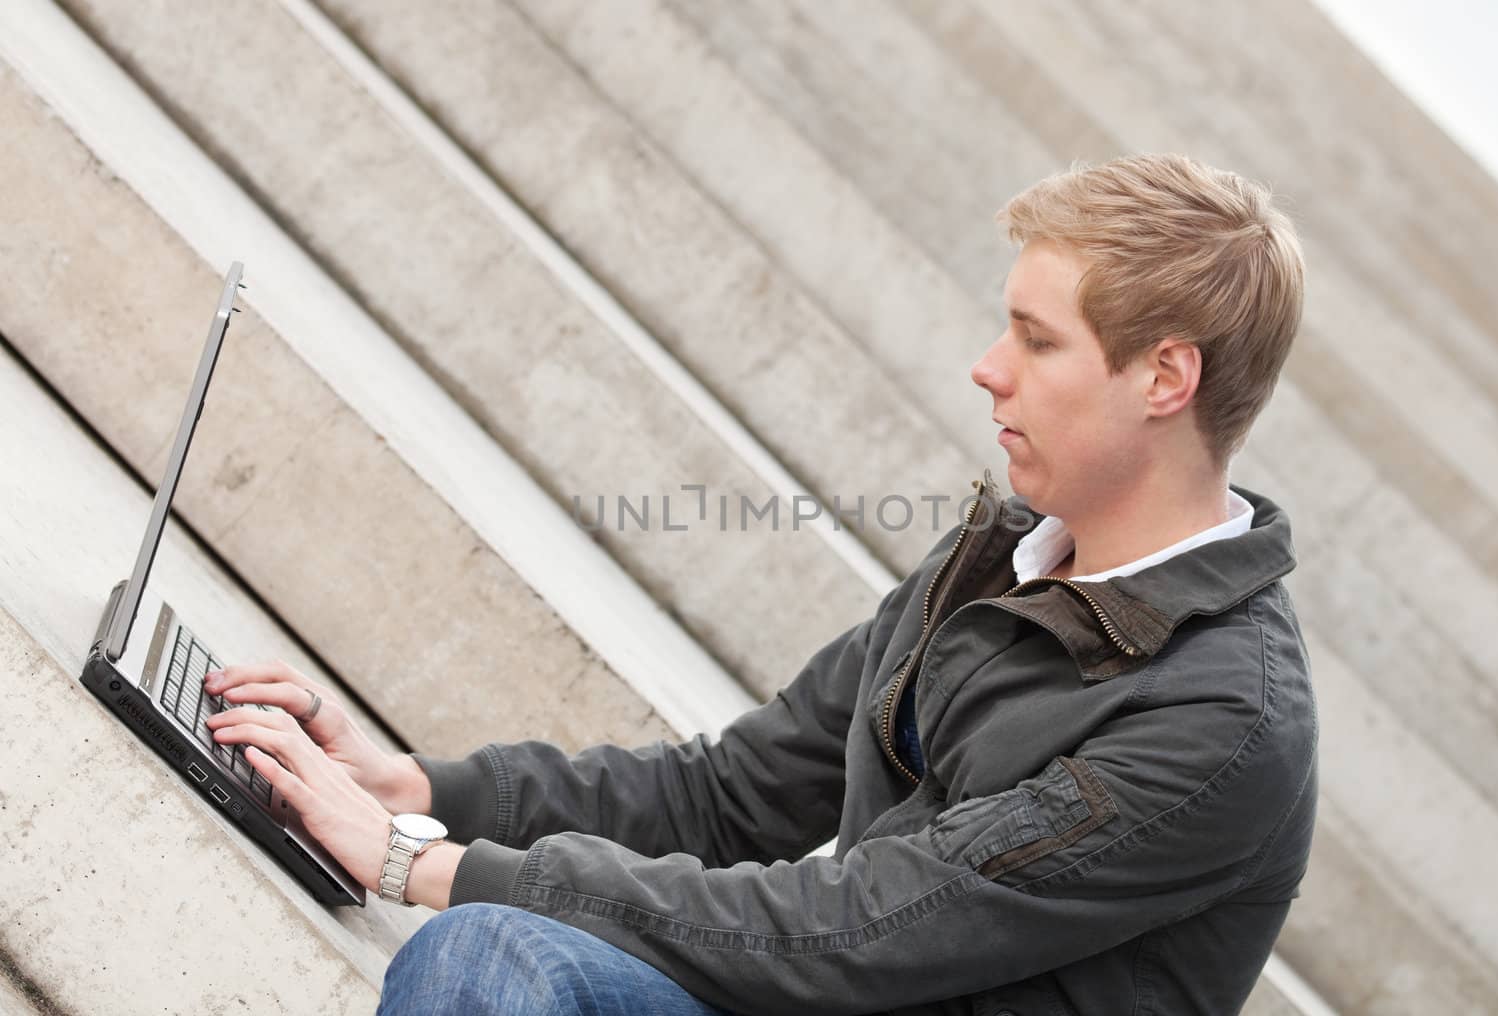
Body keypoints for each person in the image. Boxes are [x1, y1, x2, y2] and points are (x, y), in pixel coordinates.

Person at [203, 152, 1316, 1015]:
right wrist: (416, 791)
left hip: (840, 977)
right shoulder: (1010, 551)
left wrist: (423, 866)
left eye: (1036, 338)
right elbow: (731, 794)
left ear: (1164, 376)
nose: (988, 365)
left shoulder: (1222, 720)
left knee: (491, 946)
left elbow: (862, 924)